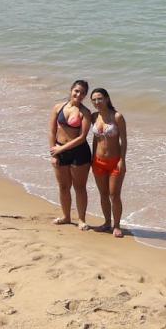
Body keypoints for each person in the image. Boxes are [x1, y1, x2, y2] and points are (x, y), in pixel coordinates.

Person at [49, 80, 93, 228]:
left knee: (79, 187)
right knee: (63, 187)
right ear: (71, 90)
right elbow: (52, 131)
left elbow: (82, 138)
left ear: (85, 95)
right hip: (59, 150)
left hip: (79, 153)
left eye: (82, 93)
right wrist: (54, 153)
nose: (78, 95)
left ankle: (81, 220)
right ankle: (66, 217)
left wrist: (60, 150)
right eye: (76, 91)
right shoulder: (58, 107)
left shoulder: (85, 113)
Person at [89, 87, 128, 237]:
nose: (97, 102)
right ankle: (106, 222)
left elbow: (123, 140)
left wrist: (122, 161)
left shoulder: (117, 117)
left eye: (100, 98)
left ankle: (116, 225)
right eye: (94, 100)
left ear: (107, 99)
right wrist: (93, 158)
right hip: (98, 162)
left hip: (115, 161)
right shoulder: (94, 117)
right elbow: (94, 139)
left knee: (114, 195)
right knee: (103, 194)